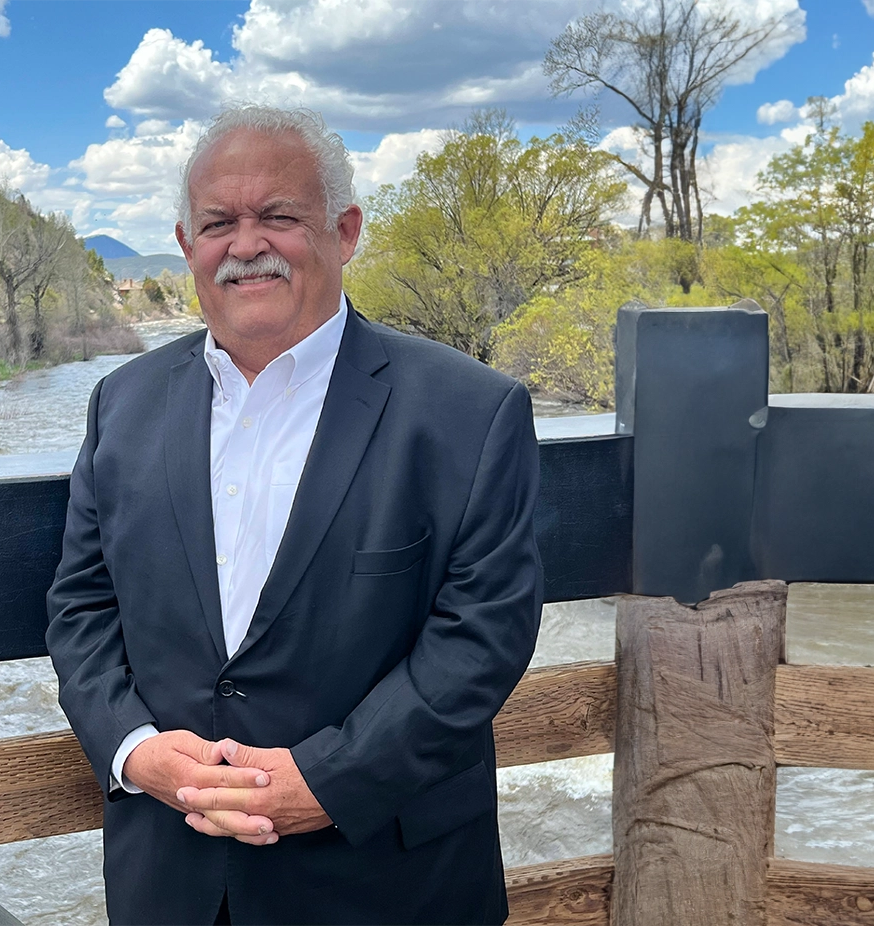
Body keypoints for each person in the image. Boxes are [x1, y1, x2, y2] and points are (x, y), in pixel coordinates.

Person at [46, 104, 542, 926]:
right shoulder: (121, 403)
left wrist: (332, 779)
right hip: (172, 877)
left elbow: (482, 635)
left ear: (344, 230)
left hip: (386, 882)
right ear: (185, 245)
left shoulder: (469, 411)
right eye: (218, 223)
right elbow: (82, 606)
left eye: (279, 216)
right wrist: (136, 752)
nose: (246, 246)